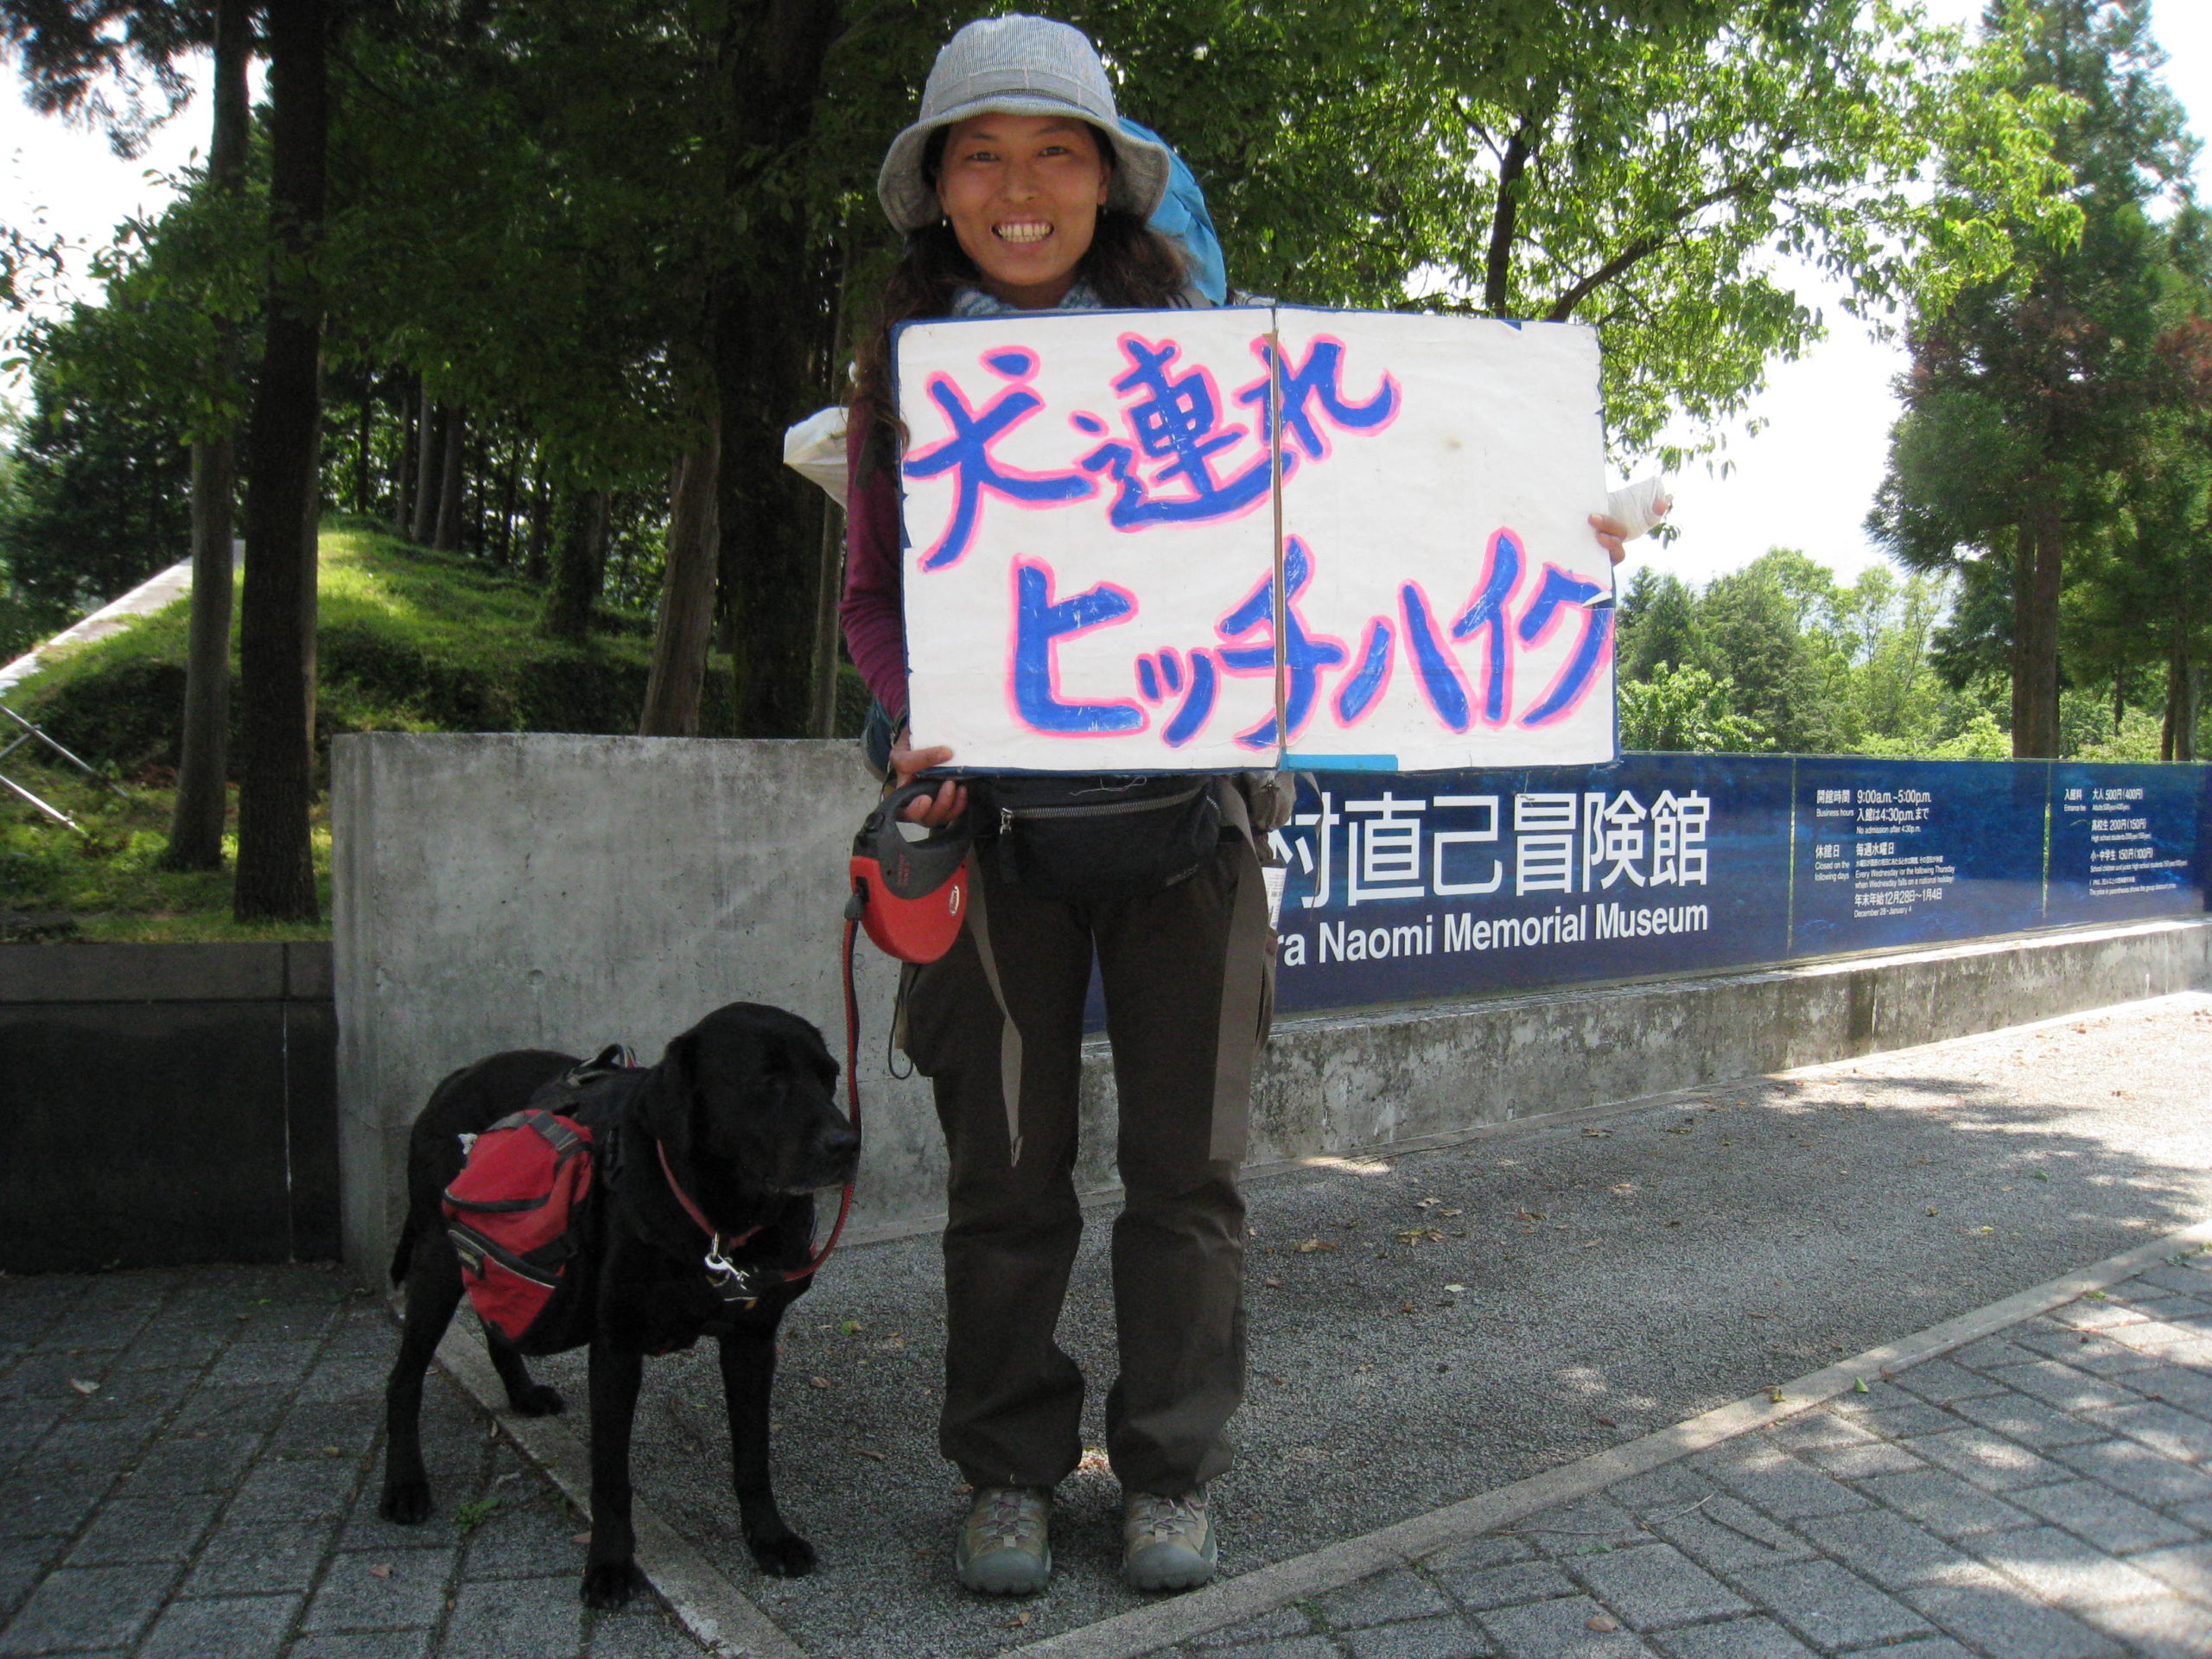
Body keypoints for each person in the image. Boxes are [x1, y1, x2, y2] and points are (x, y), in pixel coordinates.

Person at [841, 14, 1656, 1598]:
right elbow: (876, 595)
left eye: (1056, 152)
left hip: (1193, 834)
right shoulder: (911, 382)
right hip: (995, 843)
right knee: (1007, 1183)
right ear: (939, 190)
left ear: (1109, 184)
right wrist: (918, 710)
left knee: (1188, 1178)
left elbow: (1393, 507)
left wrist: (1559, 540)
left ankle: (1168, 1474)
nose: (1022, 187)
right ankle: (1007, 1473)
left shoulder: (1226, 364)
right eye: (983, 157)